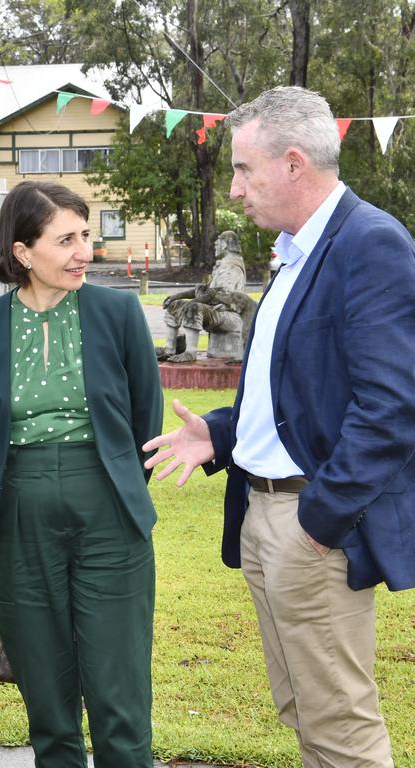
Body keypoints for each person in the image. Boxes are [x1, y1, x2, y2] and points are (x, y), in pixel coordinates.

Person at [144, 86, 415, 767]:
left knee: (340, 728)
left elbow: (390, 407)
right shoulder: (298, 249)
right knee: (303, 709)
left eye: (243, 169)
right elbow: (290, 389)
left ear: (294, 163)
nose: (234, 188)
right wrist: (220, 433)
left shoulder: (370, 244)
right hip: (264, 515)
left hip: (311, 524)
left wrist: (321, 521)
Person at [0, 180, 163, 768]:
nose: (83, 252)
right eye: (65, 239)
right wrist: (23, 487)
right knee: (46, 698)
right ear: (22, 252)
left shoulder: (118, 312)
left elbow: (143, 419)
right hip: (19, 516)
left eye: (86, 236)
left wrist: (112, 484)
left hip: (110, 513)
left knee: (119, 696)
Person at [158, 230, 255, 362]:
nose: (215, 245)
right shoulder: (223, 265)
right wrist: (176, 296)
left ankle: (190, 352)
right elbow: (207, 290)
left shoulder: (232, 266)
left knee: (194, 308)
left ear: (225, 244)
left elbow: (220, 295)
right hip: (218, 312)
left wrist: (193, 302)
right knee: (174, 305)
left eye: (218, 242)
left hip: (230, 316)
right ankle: (169, 349)